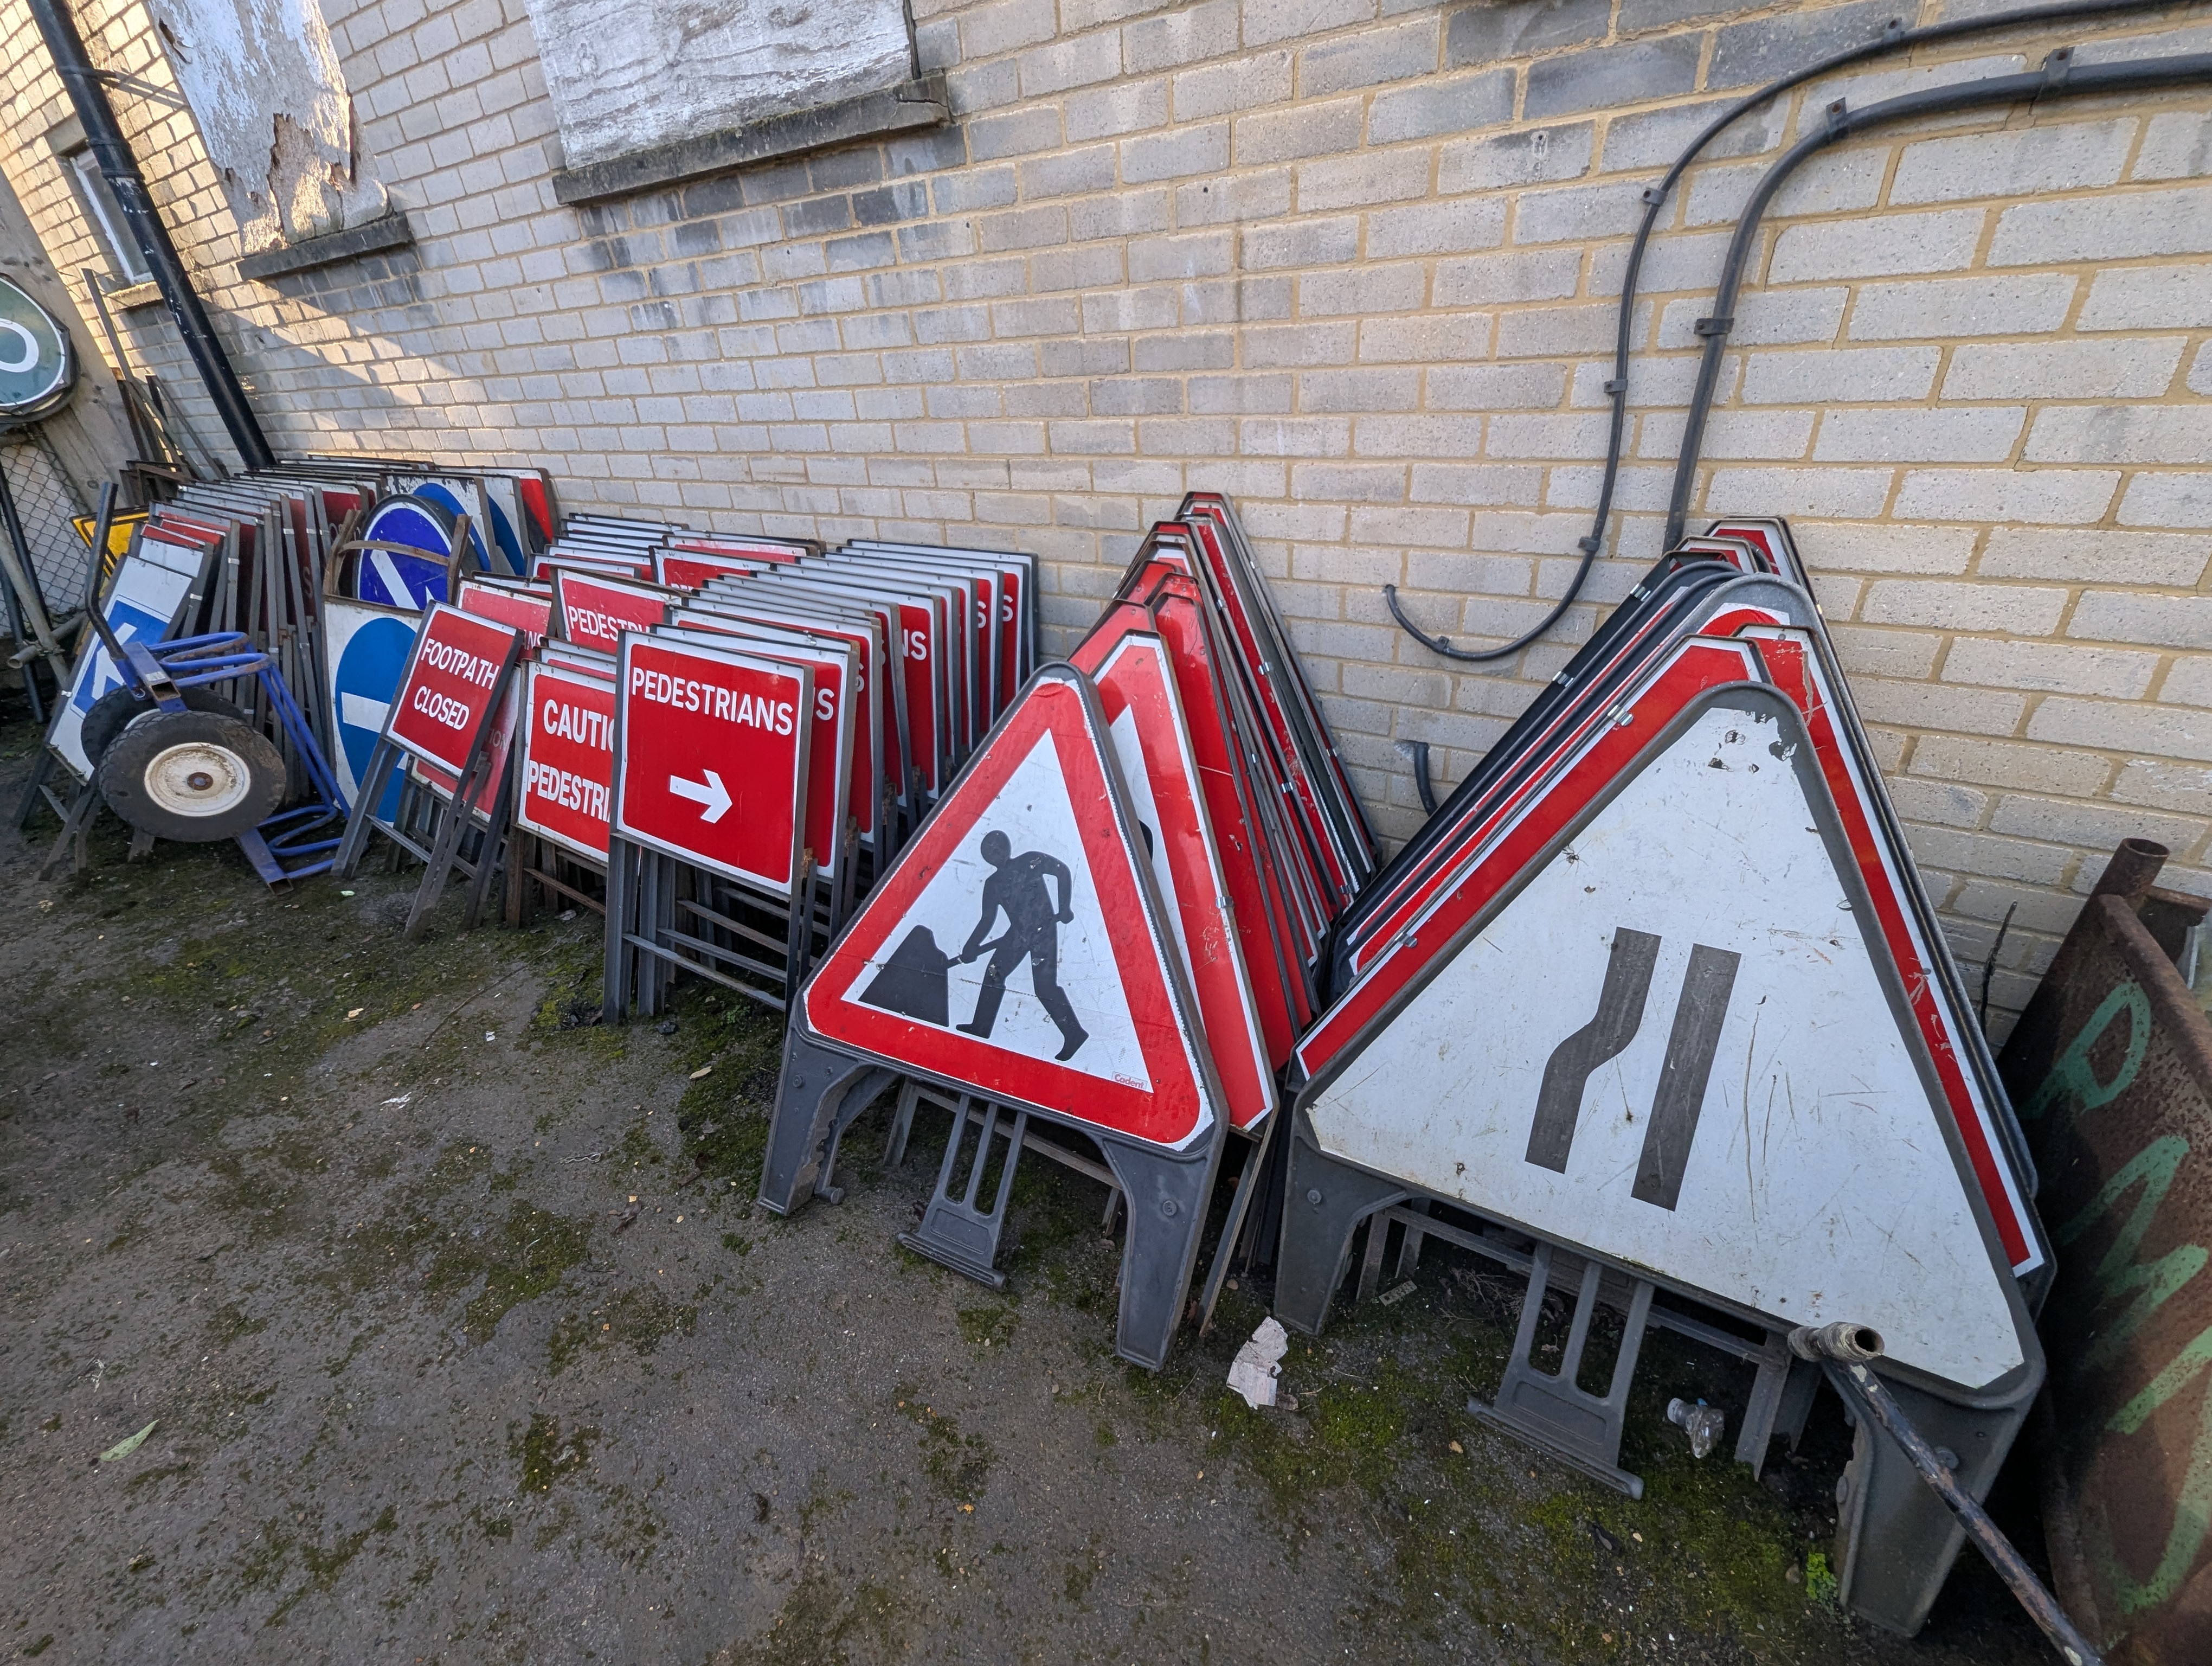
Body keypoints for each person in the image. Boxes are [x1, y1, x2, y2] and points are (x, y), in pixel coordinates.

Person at [955, 829, 1088, 1060]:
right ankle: (981, 1027)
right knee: (993, 974)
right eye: (989, 852)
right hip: (1017, 934)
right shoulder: (993, 884)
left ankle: (1074, 1034)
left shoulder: (1030, 861)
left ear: (1007, 845)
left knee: (1045, 987)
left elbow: (1062, 872)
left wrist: (1064, 907)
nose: (995, 854)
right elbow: (987, 919)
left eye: (998, 848)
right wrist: (970, 947)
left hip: (1043, 930)